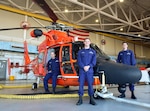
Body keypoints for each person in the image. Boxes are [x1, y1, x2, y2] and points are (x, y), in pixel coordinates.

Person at [76, 38, 97, 105]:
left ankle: (91, 99)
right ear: (84, 43)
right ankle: (80, 99)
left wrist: (89, 66)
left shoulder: (93, 52)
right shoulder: (80, 52)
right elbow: (79, 61)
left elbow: (94, 61)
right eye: (86, 41)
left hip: (89, 71)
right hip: (82, 71)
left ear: (90, 42)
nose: (87, 42)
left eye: (88, 41)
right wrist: (83, 67)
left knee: (90, 85)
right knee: (81, 85)